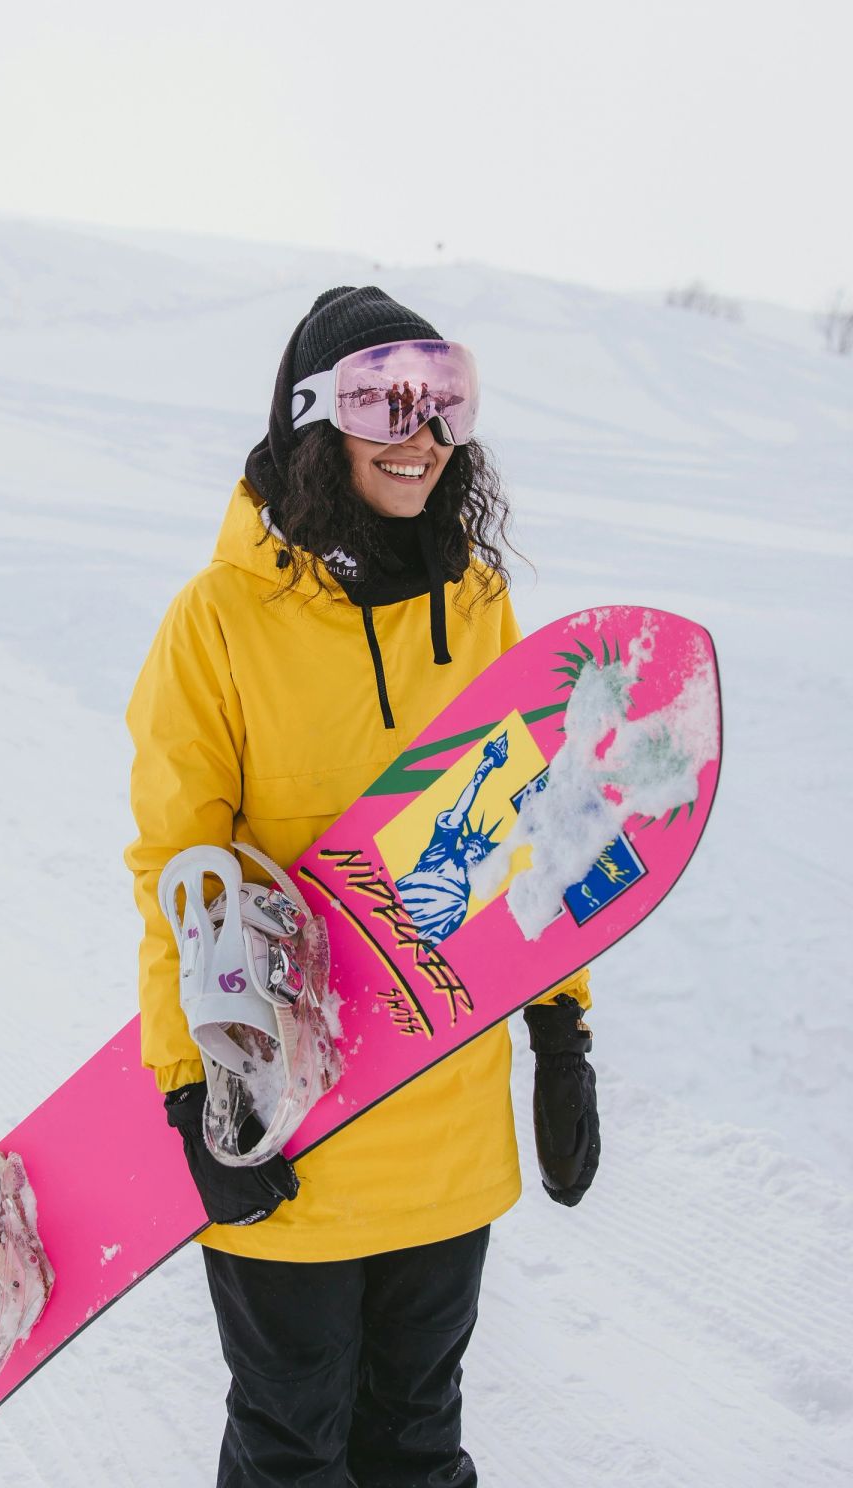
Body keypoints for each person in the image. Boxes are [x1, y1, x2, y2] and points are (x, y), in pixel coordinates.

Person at [125, 286, 600, 1488]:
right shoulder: (218, 622)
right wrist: (193, 1094)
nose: (420, 429)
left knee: (418, 1444)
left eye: (445, 399)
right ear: (310, 420)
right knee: (293, 1452)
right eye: (384, 396)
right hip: (286, 1119)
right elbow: (174, 873)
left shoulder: (477, 600)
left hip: (444, 1123)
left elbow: (528, 831)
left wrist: (563, 1032)